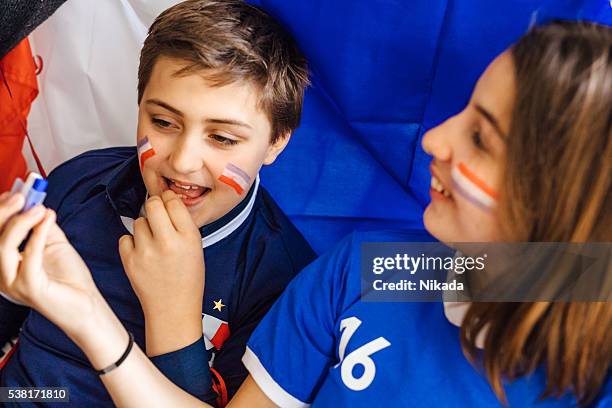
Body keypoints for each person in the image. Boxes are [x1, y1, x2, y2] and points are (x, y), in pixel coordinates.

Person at [1, 20, 610, 407]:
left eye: (482, 138)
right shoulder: (375, 273)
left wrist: (171, 317)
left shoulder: (280, 269)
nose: (433, 140)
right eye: (162, 122)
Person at [0, 0, 316, 406]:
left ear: (276, 142)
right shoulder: (80, 182)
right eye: (164, 123)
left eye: (222, 138)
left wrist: (173, 316)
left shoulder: (284, 283)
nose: (182, 162)